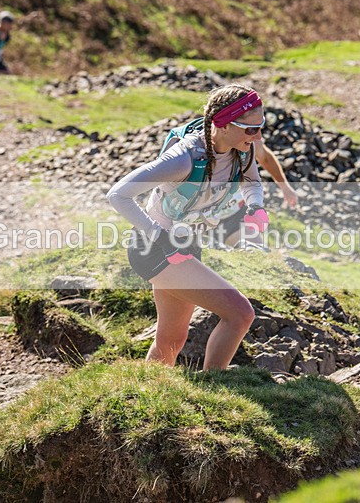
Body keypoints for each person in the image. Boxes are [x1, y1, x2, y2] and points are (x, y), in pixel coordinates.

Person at [107, 84, 267, 370]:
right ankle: (214, 389)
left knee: (171, 339)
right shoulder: (184, 158)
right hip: (155, 249)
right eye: (250, 129)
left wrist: (255, 207)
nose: (257, 136)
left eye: (261, 126)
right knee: (240, 314)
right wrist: (159, 237)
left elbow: (252, 181)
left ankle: (147, 392)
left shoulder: (242, 150)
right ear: (223, 124)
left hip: (187, 246)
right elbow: (118, 194)